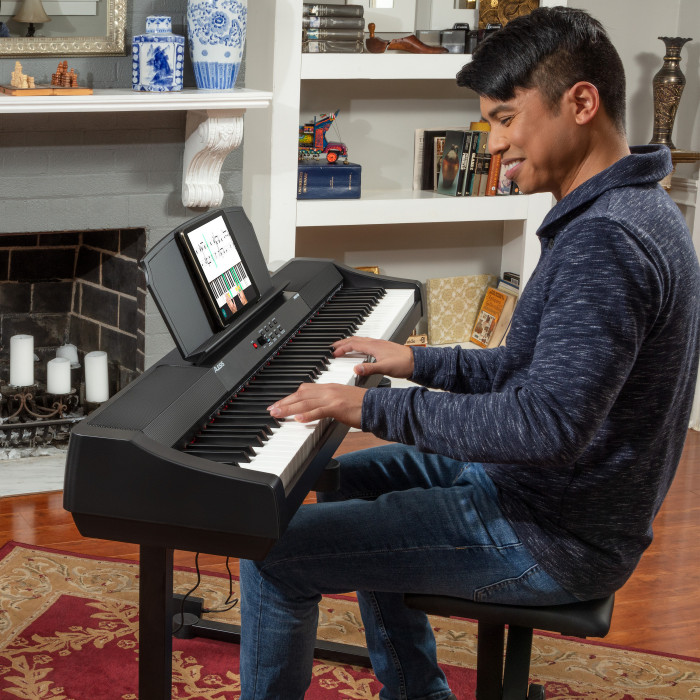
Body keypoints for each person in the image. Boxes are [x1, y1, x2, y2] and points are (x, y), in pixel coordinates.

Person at [239, 7, 700, 699]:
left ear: (581, 103)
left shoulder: (607, 242)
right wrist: (416, 363)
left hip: (551, 537)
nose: (494, 144)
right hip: (540, 495)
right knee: (337, 483)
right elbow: (525, 372)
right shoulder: (624, 209)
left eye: (506, 119)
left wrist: (370, 408)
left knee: (271, 553)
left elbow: (544, 427)